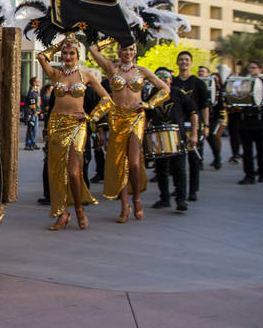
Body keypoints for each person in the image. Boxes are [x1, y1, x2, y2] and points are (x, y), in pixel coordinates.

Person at [87, 41, 168, 222]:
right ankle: (125, 205)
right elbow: (92, 49)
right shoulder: (111, 69)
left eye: (131, 49)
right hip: (117, 119)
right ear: (119, 50)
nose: (128, 52)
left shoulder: (142, 71)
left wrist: (149, 104)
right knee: (120, 164)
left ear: (135, 51)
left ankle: (137, 198)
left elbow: (165, 89)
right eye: (124, 48)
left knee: (134, 164)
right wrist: (111, 35)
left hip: (136, 117)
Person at [37, 36, 112, 230]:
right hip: (56, 124)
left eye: (71, 53)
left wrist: (91, 117)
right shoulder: (55, 75)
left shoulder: (86, 76)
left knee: (73, 172)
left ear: (78, 56)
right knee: (57, 172)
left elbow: (106, 99)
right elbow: (41, 56)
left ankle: (79, 208)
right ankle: (62, 213)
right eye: (65, 53)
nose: (68, 56)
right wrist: (60, 43)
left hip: (78, 125)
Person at [147, 68, 198, 212]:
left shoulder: (178, 93)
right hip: (158, 137)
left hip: (177, 136)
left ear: (171, 80)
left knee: (179, 169)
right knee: (161, 170)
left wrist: (193, 134)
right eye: (159, 77)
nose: (162, 80)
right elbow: (147, 116)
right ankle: (164, 199)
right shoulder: (152, 95)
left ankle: (181, 200)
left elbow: (193, 113)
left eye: (165, 77)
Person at [172, 51, 209, 200]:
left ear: (191, 63)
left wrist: (205, 125)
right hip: (177, 126)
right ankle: (179, 188)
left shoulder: (198, 83)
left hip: (194, 125)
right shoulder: (173, 82)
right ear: (177, 63)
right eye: (181, 60)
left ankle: (193, 190)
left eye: (186, 60)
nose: (184, 62)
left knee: (193, 159)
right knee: (176, 160)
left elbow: (205, 106)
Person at [236, 60, 263, 184]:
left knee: (262, 149)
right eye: (249, 68)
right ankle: (249, 175)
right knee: (247, 150)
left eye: (253, 68)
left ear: (260, 69)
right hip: (246, 120)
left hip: (261, 121)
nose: (251, 70)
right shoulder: (244, 83)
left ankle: (262, 172)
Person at [200, 66, 224, 169]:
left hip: (211, 115)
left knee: (211, 138)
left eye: (203, 71)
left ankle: (217, 158)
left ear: (208, 73)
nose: (201, 73)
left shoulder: (213, 83)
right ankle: (199, 161)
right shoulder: (197, 83)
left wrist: (221, 115)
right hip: (199, 115)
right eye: (199, 71)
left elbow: (219, 102)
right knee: (199, 139)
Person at [24, 77, 41, 150]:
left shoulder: (36, 91)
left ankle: (33, 142)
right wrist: (34, 112)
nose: (39, 82)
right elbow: (32, 103)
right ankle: (28, 143)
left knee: (35, 129)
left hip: (35, 113)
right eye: (37, 81)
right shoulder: (32, 92)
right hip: (31, 113)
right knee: (31, 128)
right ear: (34, 83)